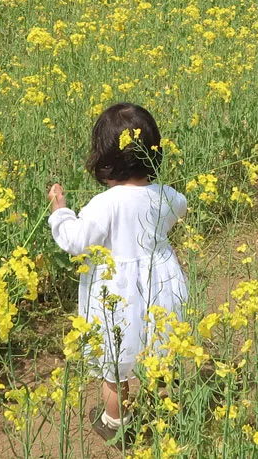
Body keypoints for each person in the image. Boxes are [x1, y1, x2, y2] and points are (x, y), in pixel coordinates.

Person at [47, 103, 188, 444]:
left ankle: (115, 422)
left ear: (104, 161)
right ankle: (165, 414)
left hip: (117, 294)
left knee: (114, 365)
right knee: (160, 349)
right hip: (161, 284)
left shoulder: (104, 203)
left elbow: (75, 241)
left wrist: (60, 210)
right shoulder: (167, 196)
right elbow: (180, 207)